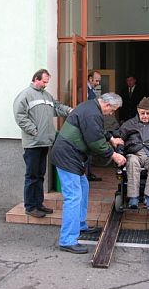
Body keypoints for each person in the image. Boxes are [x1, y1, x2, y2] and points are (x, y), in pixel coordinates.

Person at [51, 93, 126, 254]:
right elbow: (95, 142)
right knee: (73, 196)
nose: (111, 113)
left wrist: (111, 138)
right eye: (112, 110)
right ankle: (67, 240)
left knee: (83, 187)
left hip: (73, 156)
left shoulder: (92, 107)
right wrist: (114, 155)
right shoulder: (92, 113)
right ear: (106, 105)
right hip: (67, 155)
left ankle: (80, 225)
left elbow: (96, 131)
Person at [13, 69, 72, 219]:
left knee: (40, 175)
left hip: (45, 141)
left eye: (47, 82)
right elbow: (20, 116)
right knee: (32, 175)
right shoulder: (25, 95)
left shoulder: (46, 96)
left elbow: (57, 107)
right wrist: (34, 131)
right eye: (44, 81)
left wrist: (71, 111)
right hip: (33, 143)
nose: (46, 85)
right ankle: (30, 206)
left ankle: (38, 204)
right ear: (36, 79)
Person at [87, 70, 102, 181]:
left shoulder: (91, 90)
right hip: (87, 123)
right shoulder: (84, 90)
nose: (98, 83)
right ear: (90, 79)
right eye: (96, 80)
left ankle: (89, 172)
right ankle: (87, 173)